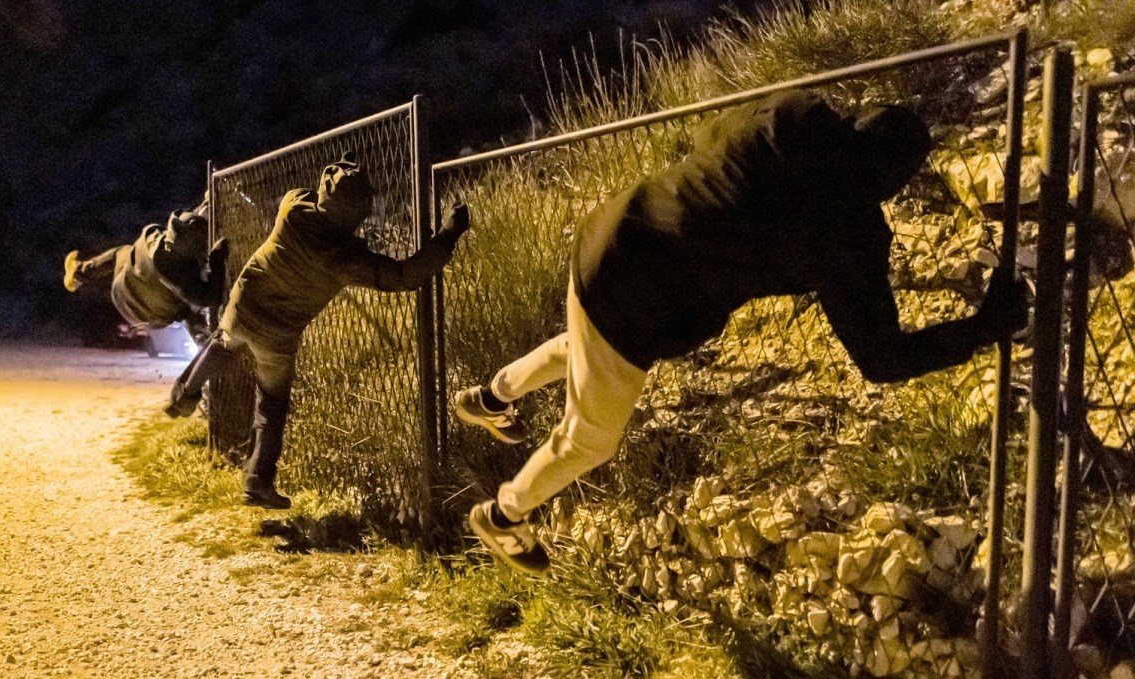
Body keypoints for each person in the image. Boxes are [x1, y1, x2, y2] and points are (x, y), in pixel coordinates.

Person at [453, 89, 1029, 575]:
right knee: (592, 439)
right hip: (636, 297)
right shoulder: (849, 231)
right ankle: (505, 516)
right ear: (895, 178)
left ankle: (492, 396)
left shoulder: (791, 115)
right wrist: (984, 326)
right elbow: (883, 359)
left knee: (587, 348)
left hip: (613, 229)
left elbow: (710, 134)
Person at [165, 153, 471, 510]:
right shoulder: (348, 259)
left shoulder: (292, 209)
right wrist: (448, 235)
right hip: (277, 336)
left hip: (243, 307)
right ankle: (256, 481)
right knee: (271, 404)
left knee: (223, 342)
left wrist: (340, 171)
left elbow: (314, 195)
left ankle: (184, 394)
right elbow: (405, 276)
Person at [63, 199, 225, 339]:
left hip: (122, 287)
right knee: (189, 308)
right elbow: (209, 297)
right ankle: (206, 342)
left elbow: (187, 226)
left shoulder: (152, 238)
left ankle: (79, 273)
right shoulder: (179, 277)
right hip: (147, 314)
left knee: (122, 252)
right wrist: (216, 261)